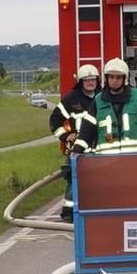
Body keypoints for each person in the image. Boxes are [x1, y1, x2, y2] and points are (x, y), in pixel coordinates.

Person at [51, 63, 99, 220]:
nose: (91, 83)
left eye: (93, 80)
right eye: (87, 80)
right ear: (80, 81)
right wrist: (66, 136)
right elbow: (54, 119)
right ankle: (69, 213)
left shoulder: (102, 97)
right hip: (78, 148)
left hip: (99, 146)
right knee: (74, 180)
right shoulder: (71, 99)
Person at [93, 57, 137, 154]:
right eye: (111, 77)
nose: (114, 80)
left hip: (136, 158)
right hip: (105, 161)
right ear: (106, 78)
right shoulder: (98, 100)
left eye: (118, 77)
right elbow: (87, 129)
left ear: (125, 78)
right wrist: (76, 152)